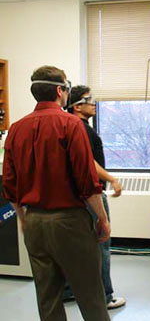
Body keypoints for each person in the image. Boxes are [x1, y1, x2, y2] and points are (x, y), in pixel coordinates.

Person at [2, 66, 111, 321]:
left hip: (34, 223)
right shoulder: (71, 125)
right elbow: (86, 181)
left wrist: (23, 219)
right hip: (70, 223)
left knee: (48, 298)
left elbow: (10, 184)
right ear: (60, 91)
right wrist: (102, 218)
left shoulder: (16, 129)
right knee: (91, 295)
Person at [66, 85, 126, 309]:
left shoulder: (74, 128)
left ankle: (68, 290)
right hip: (92, 194)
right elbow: (89, 163)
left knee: (76, 246)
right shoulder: (81, 129)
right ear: (76, 106)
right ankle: (106, 296)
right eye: (88, 99)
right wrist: (112, 179)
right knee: (102, 243)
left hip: (76, 195)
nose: (94, 103)